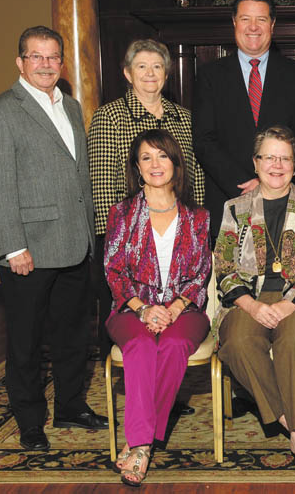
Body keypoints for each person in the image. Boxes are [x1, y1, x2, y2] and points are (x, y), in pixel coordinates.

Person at [0, 25, 108, 452]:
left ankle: (71, 405)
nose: (46, 64)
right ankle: (31, 421)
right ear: (20, 62)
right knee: (26, 342)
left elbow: (76, 176)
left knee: (73, 336)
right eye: (36, 56)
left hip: (74, 243)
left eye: (53, 57)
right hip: (28, 250)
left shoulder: (70, 107)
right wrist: (13, 246)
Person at [214, 126, 295, 475]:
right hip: (247, 298)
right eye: (269, 157)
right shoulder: (235, 208)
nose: (277, 165)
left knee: (294, 340)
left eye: (285, 158)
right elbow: (223, 266)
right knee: (237, 343)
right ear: (256, 163)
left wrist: (287, 305)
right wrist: (251, 305)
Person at [104, 129, 211, 486]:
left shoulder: (197, 217)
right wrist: (143, 309)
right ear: (136, 167)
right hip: (131, 309)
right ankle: (143, 442)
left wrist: (177, 307)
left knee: (175, 344)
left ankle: (140, 443)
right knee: (140, 345)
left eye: (162, 155)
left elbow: (201, 273)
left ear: (175, 163)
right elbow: (114, 270)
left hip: (185, 309)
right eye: (146, 157)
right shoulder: (121, 213)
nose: (155, 164)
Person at [89, 38, 205, 363]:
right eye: (142, 66)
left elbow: (194, 177)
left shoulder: (183, 118)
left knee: (175, 324)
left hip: (176, 236)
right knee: (134, 327)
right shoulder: (109, 117)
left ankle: (170, 389)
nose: (150, 73)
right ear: (127, 73)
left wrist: (198, 230)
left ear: (167, 74)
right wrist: (111, 241)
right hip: (127, 244)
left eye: (157, 67)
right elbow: (101, 186)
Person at [194, 0, 295, 240]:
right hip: (231, 200)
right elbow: (204, 140)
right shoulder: (210, 76)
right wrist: (247, 186)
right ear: (234, 22)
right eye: (245, 19)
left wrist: (275, 182)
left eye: (261, 19)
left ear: (272, 25)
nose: (253, 27)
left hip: (289, 203)